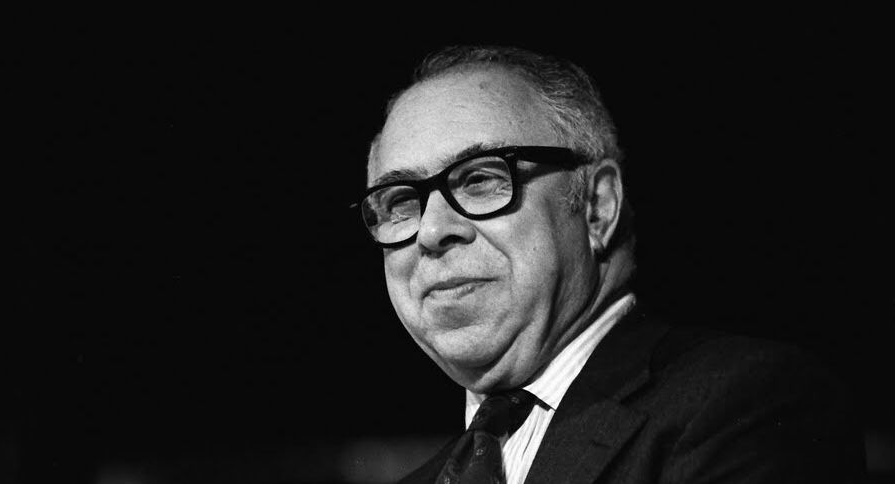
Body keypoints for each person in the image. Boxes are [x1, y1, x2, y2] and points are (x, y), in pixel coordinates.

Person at [357, 45, 865, 483]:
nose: (432, 231)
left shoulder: (743, 404)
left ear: (597, 206)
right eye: (400, 201)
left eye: (479, 179)